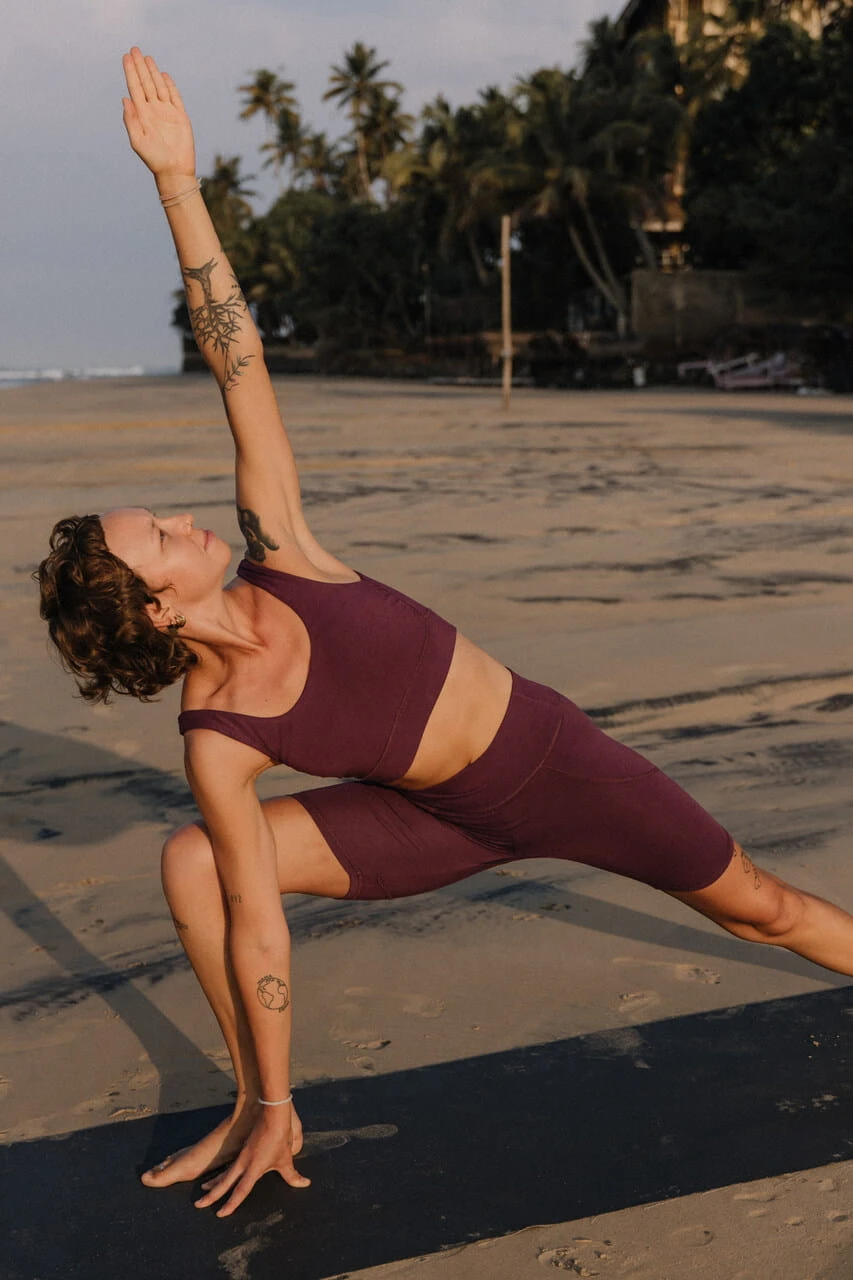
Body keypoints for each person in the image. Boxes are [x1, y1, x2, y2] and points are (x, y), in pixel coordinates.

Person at [36, 48, 853, 1220]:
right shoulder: (215, 733)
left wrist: (178, 183)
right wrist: (275, 1093)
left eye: (159, 513)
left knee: (759, 907)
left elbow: (236, 357)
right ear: (157, 608)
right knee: (191, 860)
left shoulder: (282, 545)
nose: (180, 518)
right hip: (431, 819)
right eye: (157, 535)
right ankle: (258, 1106)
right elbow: (256, 920)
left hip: (554, 765)